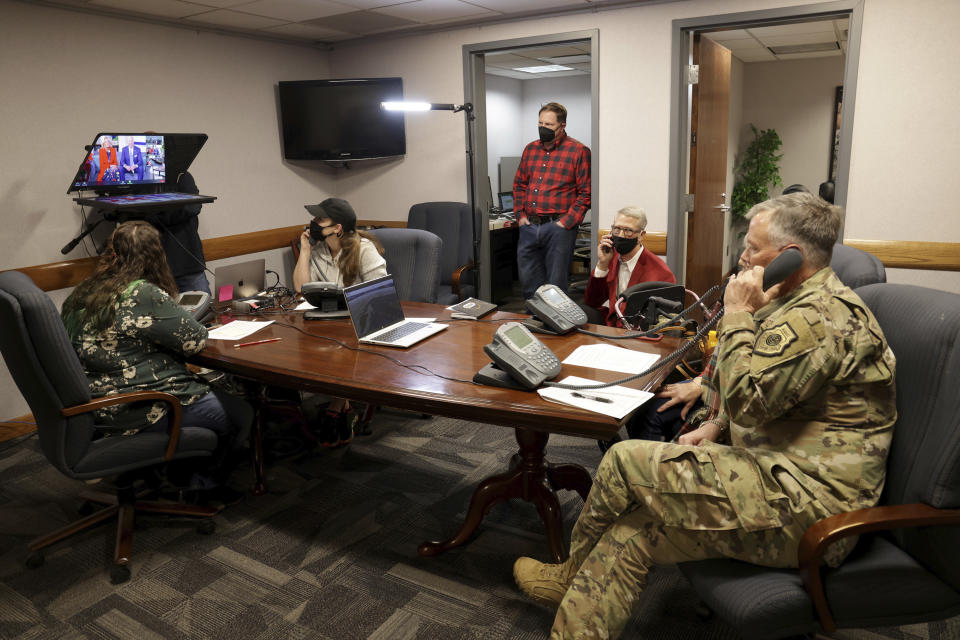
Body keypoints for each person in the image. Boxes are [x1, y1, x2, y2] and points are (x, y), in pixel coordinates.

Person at [512, 192, 897, 640]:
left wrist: (736, 313)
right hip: (780, 474)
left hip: (811, 511)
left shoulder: (820, 319)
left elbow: (752, 402)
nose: (743, 258)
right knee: (632, 534)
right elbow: (768, 395)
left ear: (789, 258)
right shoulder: (794, 302)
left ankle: (568, 574)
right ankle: (572, 602)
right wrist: (714, 425)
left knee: (623, 461)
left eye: (752, 248)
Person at [60, 221, 245, 502]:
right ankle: (200, 485)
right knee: (243, 414)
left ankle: (163, 470)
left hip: (92, 405)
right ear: (156, 255)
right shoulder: (143, 293)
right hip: (141, 405)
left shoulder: (82, 292)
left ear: (111, 253)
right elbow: (194, 340)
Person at [292, 197, 387, 445]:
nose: (312, 223)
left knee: (339, 351)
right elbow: (301, 289)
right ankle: (340, 405)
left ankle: (337, 405)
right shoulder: (321, 250)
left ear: (338, 227)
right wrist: (305, 250)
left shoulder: (364, 249)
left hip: (361, 323)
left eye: (319, 219)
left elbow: (379, 296)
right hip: (331, 320)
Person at [513, 102, 591, 300]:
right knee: (528, 281)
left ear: (562, 126)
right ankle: (533, 322)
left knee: (556, 285)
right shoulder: (530, 149)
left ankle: (555, 326)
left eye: (549, 125)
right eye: (540, 123)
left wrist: (565, 223)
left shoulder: (578, 151)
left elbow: (586, 193)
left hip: (558, 228)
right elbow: (520, 184)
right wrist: (520, 216)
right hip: (529, 226)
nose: (543, 128)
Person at [583, 206, 675, 327]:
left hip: (638, 331)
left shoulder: (661, 273)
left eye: (628, 231)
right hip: (613, 324)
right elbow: (592, 302)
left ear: (641, 235)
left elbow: (663, 319)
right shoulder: (611, 257)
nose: (621, 235)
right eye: (617, 229)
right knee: (582, 312)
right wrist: (602, 264)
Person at [150, 171, 211, 295]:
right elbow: (133, 215)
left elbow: (193, 207)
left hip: (188, 263)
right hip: (154, 267)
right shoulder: (137, 180)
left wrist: (156, 215)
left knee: (204, 311)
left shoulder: (181, 175)